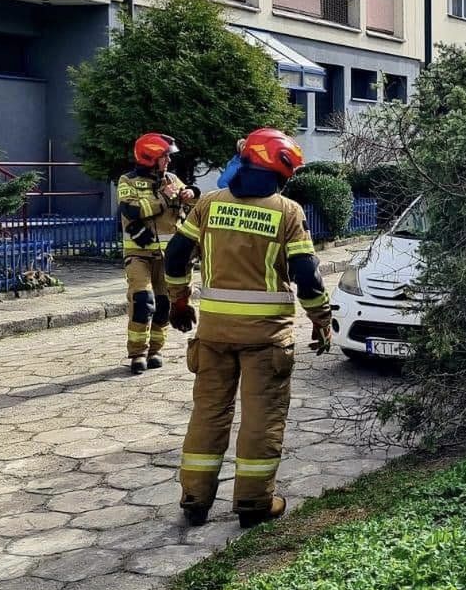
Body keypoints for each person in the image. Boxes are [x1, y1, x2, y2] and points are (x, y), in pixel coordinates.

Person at [164, 128, 332, 527]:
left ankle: (195, 498)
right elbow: (306, 276)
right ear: (282, 170)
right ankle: (255, 503)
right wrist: (321, 320)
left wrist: (179, 300)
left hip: (213, 335)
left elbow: (174, 255)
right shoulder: (287, 211)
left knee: (208, 413)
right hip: (266, 339)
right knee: (262, 417)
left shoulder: (209, 204)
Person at [118, 133, 196, 374]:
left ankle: (155, 350)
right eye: (164, 157)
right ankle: (137, 353)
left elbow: (190, 204)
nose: (168, 162)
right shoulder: (128, 180)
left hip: (168, 255)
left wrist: (190, 194)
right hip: (138, 254)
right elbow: (131, 209)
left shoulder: (172, 179)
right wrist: (162, 198)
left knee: (163, 304)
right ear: (150, 158)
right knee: (142, 301)